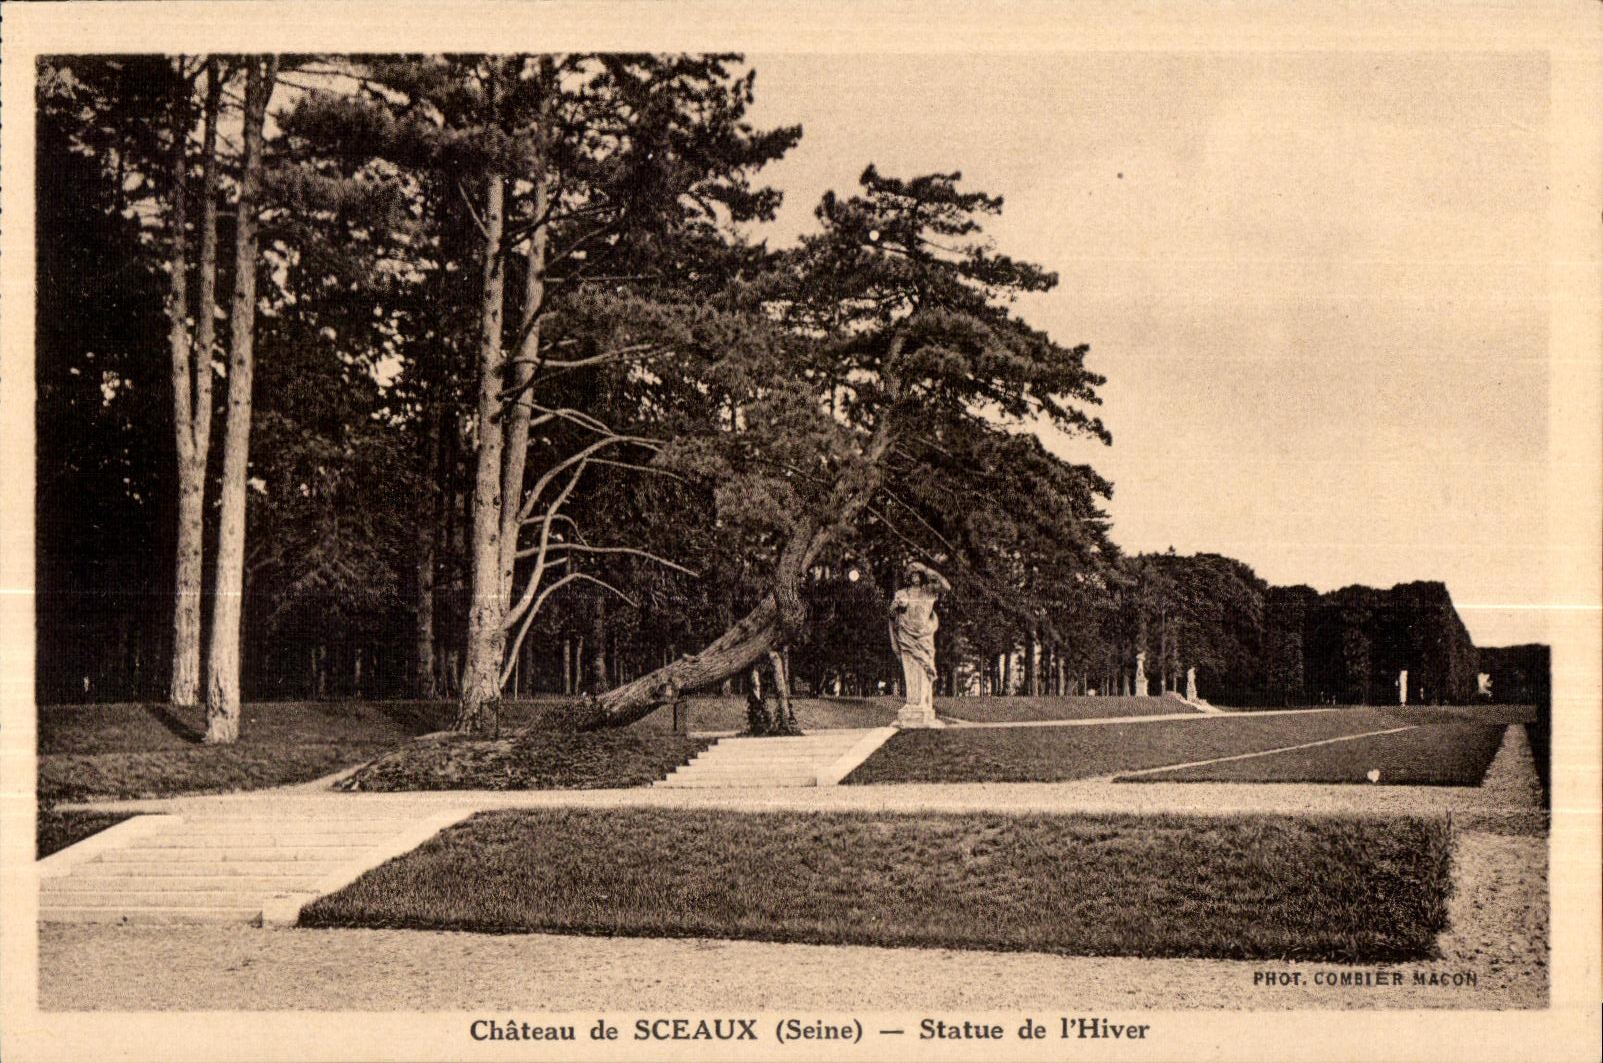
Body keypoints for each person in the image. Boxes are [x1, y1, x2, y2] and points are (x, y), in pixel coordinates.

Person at [888, 561, 952, 727]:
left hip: (924, 637)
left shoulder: (928, 592)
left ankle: (923, 705)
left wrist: (926, 568)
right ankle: (912, 704)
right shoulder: (902, 593)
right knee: (909, 670)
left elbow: (946, 586)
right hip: (906, 636)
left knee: (924, 670)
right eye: (912, 574)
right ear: (908, 577)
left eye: (918, 574)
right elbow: (891, 613)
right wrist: (896, 606)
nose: (915, 577)